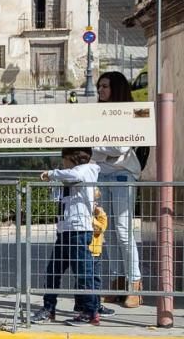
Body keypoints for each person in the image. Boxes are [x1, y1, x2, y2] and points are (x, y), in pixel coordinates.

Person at [31, 148, 101, 326]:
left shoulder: (87, 169)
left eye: (64, 160)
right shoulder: (70, 174)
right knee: (53, 270)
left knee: (83, 273)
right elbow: (59, 195)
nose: (62, 163)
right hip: (65, 229)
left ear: (72, 158)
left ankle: (90, 311)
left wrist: (52, 174)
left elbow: (75, 176)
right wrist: (55, 181)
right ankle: (49, 308)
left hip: (78, 230)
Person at [92, 71, 143, 309]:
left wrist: (99, 146)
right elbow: (92, 147)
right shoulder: (97, 114)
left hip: (123, 174)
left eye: (105, 86)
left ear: (117, 88)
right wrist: (104, 148)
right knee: (107, 231)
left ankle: (135, 283)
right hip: (102, 173)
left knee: (124, 230)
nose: (101, 90)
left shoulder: (128, 114)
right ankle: (116, 281)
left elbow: (121, 146)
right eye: (99, 86)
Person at [75, 189, 115, 317]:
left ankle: (93, 304)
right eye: (93, 201)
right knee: (87, 281)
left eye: (96, 201)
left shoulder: (94, 215)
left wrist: (99, 213)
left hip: (96, 252)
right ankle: (86, 305)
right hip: (88, 252)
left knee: (93, 280)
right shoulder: (87, 217)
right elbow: (100, 228)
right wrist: (99, 215)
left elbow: (102, 227)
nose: (96, 204)